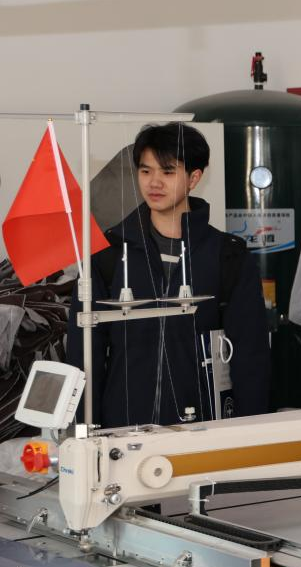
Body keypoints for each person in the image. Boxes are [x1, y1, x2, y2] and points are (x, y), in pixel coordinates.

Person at [68, 122, 270, 427]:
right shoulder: (108, 254)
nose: (154, 182)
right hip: (123, 431)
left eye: (168, 171)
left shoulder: (227, 255)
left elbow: (250, 355)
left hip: (205, 429)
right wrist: (84, 430)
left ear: (194, 178)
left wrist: (248, 431)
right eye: (145, 171)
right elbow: (84, 355)